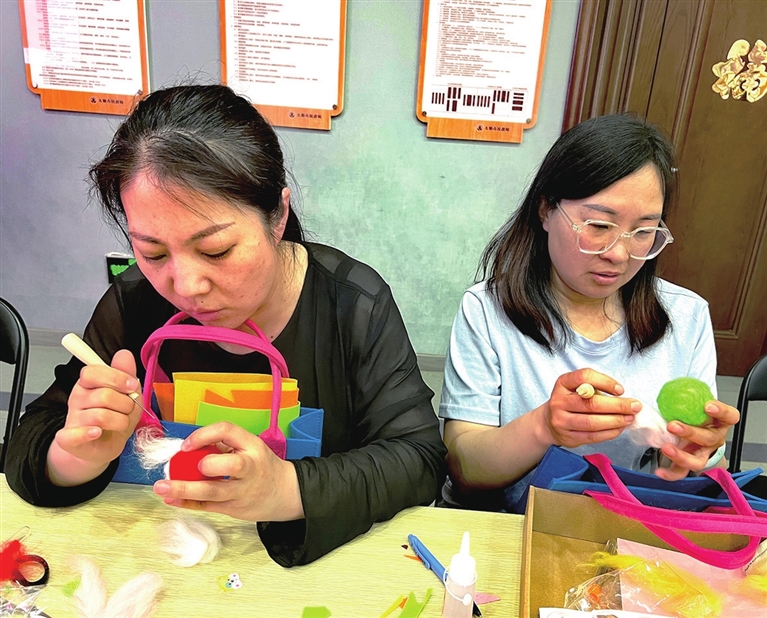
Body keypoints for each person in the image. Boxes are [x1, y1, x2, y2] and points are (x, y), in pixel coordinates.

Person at [5, 84, 447, 566]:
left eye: (216, 251)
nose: (186, 286)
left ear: (278, 216)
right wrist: (75, 456)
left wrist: (286, 488)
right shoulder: (135, 302)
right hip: (164, 564)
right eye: (153, 253)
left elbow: (419, 458)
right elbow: (32, 439)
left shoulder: (352, 305)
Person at [438, 114, 739, 512]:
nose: (619, 254)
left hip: (630, 529)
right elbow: (465, 468)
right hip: (510, 527)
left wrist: (697, 452)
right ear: (546, 210)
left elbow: (687, 475)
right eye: (599, 225)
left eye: (643, 231)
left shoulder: (686, 316)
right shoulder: (488, 311)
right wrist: (544, 426)